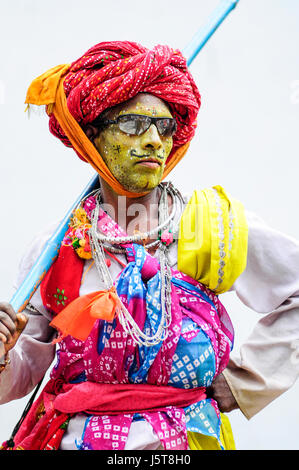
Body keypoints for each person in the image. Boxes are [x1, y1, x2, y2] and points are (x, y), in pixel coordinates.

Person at [0, 41, 298, 451]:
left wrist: (246, 380)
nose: (155, 141)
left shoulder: (212, 227)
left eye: (165, 127)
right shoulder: (57, 251)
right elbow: (22, 374)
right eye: (134, 125)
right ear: (92, 136)